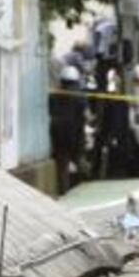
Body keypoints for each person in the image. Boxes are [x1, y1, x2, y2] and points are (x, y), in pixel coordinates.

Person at [49, 65, 86, 194]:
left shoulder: (54, 96)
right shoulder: (80, 97)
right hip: (75, 134)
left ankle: (64, 192)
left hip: (58, 135)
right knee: (79, 162)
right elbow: (83, 117)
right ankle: (79, 189)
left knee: (62, 166)